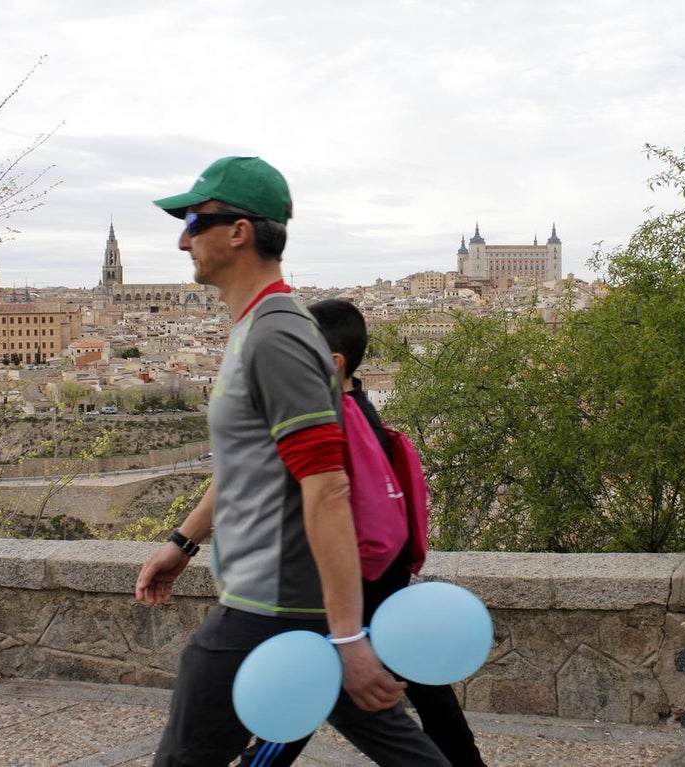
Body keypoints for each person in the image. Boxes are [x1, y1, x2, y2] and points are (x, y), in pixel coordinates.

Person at [133, 156, 449, 767]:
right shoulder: (260, 329)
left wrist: (349, 636)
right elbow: (253, 464)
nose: (182, 240)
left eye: (194, 222)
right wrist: (183, 542)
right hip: (293, 607)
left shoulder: (276, 336)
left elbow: (326, 487)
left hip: (271, 607)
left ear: (238, 232)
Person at [241, 299, 488, 767]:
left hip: (349, 593)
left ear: (333, 363)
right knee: (429, 699)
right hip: (385, 586)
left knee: (299, 701)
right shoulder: (366, 415)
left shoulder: (329, 425)